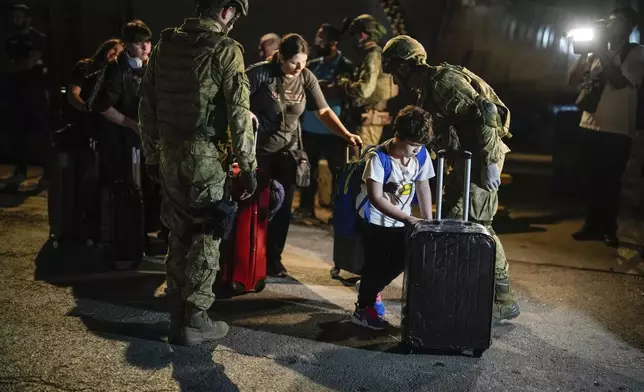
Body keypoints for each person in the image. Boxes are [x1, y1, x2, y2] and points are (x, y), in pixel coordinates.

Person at [139, 0, 257, 346]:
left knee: (178, 234)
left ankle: (177, 315)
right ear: (226, 10)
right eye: (234, 14)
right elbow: (239, 113)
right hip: (206, 157)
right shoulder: (226, 50)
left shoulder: (165, 46)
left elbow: (146, 104)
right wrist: (249, 167)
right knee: (208, 232)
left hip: (168, 154)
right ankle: (196, 319)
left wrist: (150, 154)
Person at [381, 34, 520, 322]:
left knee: (475, 225)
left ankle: (503, 299)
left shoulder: (443, 82)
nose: (395, 80)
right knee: (459, 221)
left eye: (395, 71)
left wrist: (490, 163)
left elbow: (484, 114)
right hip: (466, 159)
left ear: (404, 67)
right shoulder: (428, 88)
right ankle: (465, 290)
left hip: (481, 158)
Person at [246, 33, 361, 277]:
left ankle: (273, 259)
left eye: (303, 61)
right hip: (259, 152)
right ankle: (249, 255)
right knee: (255, 205)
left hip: (288, 152)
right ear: (280, 58)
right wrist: (246, 114)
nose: (299, 67)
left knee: (284, 206)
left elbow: (323, 110)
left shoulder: (306, 77)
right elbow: (234, 101)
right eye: (293, 62)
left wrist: (346, 135)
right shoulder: (259, 74)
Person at [351, 105, 434, 330]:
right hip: (374, 221)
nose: (417, 150)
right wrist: (408, 219)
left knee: (402, 259)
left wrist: (428, 221)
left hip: (400, 220)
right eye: (413, 145)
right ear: (399, 137)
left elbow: (423, 185)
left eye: (421, 146)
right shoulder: (378, 158)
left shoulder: (422, 154)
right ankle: (362, 310)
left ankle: (371, 288)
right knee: (375, 265)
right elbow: (376, 198)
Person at [568, 7, 644, 247]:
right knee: (592, 178)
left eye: (617, 22)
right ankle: (592, 226)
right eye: (609, 21)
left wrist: (600, 49)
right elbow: (572, 80)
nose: (610, 26)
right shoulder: (594, 55)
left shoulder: (637, 53)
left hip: (617, 129)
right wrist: (583, 54)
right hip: (589, 124)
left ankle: (610, 228)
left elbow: (620, 81)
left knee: (611, 181)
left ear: (630, 27)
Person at [296, 23, 354, 221]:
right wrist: (324, 88)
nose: (317, 43)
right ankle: (305, 208)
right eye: (317, 39)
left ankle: (338, 213)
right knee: (306, 171)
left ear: (334, 44)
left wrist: (319, 88)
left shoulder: (346, 66)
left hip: (334, 131)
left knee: (338, 174)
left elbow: (341, 91)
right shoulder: (313, 65)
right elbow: (303, 88)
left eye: (322, 40)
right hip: (310, 128)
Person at [0, 4, 50, 190]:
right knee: (17, 133)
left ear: (28, 19)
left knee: (42, 132)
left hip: (35, 92)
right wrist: (19, 66)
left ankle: (47, 172)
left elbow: (28, 64)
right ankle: (20, 171)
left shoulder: (38, 38)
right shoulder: (10, 39)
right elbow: (7, 63)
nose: (16, 20)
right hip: (16, 92)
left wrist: (16, 67)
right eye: (14, 17)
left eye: (20, 17)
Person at [336, 14, 398, 147]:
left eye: (356, 35)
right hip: (367, 120)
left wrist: (344, 83)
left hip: (366, 123)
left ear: (363, 35)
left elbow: (364, 90)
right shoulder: (377, 54)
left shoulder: (372, 56)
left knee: (358, 162)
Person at [65, 38, 124, 128]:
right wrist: (86, 109)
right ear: (106, 48)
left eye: (119, 54)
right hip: (80, 120)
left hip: (103, 124)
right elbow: (73, 93)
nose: (116, 54)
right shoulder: (85, 66)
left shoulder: (115, 75)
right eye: (114, 49)